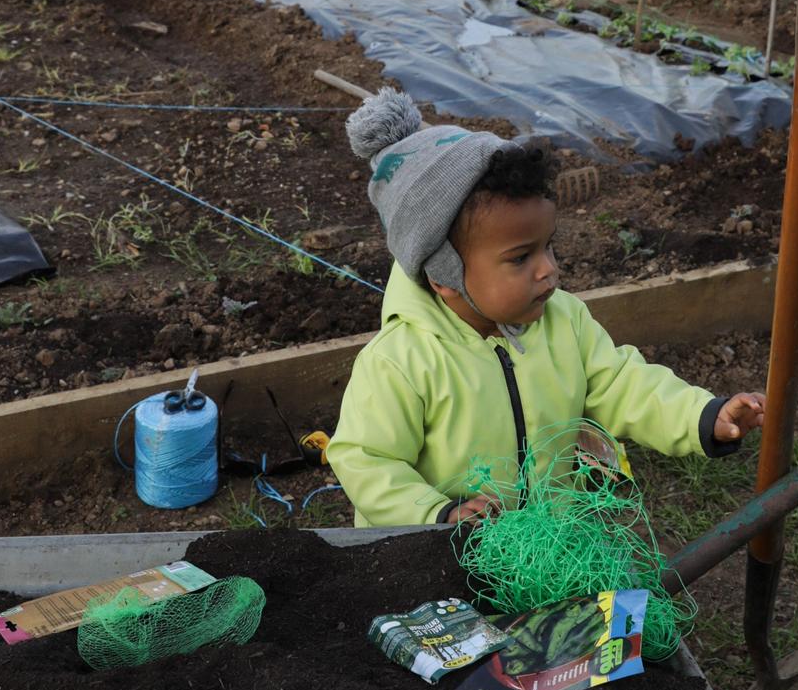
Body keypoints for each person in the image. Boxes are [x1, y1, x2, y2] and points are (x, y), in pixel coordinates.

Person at [327, 90, 767, 528]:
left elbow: (623, 384)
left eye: (548, 246)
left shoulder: (565, 321)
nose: (549, 271)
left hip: (549, 543)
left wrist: (701, 415)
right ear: (445, 276)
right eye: (521, 258)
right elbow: (367, 459)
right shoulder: (402, 361)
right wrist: (437, 514)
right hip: (444, 558)